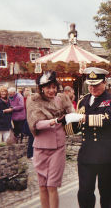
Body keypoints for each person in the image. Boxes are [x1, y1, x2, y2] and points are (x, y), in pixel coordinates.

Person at [72, 67, 111, 208]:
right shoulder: (83, 101)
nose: (92, 88)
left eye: (96, 84)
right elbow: (78, 126)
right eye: (90, 85)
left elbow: (108, 119)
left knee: (106, 192)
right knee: (84, 192)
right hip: (87, 154)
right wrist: (67, 121)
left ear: (104, 83)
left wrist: (83, 118)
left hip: (105, 154)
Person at [26, 71, 73, 208]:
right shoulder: (34, 101)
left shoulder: (62, 99)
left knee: (52, 186)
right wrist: (54, 121)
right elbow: (36, 125)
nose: (52, 90)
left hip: (58, 148)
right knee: (42, 186)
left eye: (54, 87)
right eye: (48, 87)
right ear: (41, 88)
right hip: (40, 148)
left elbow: (72, 116)